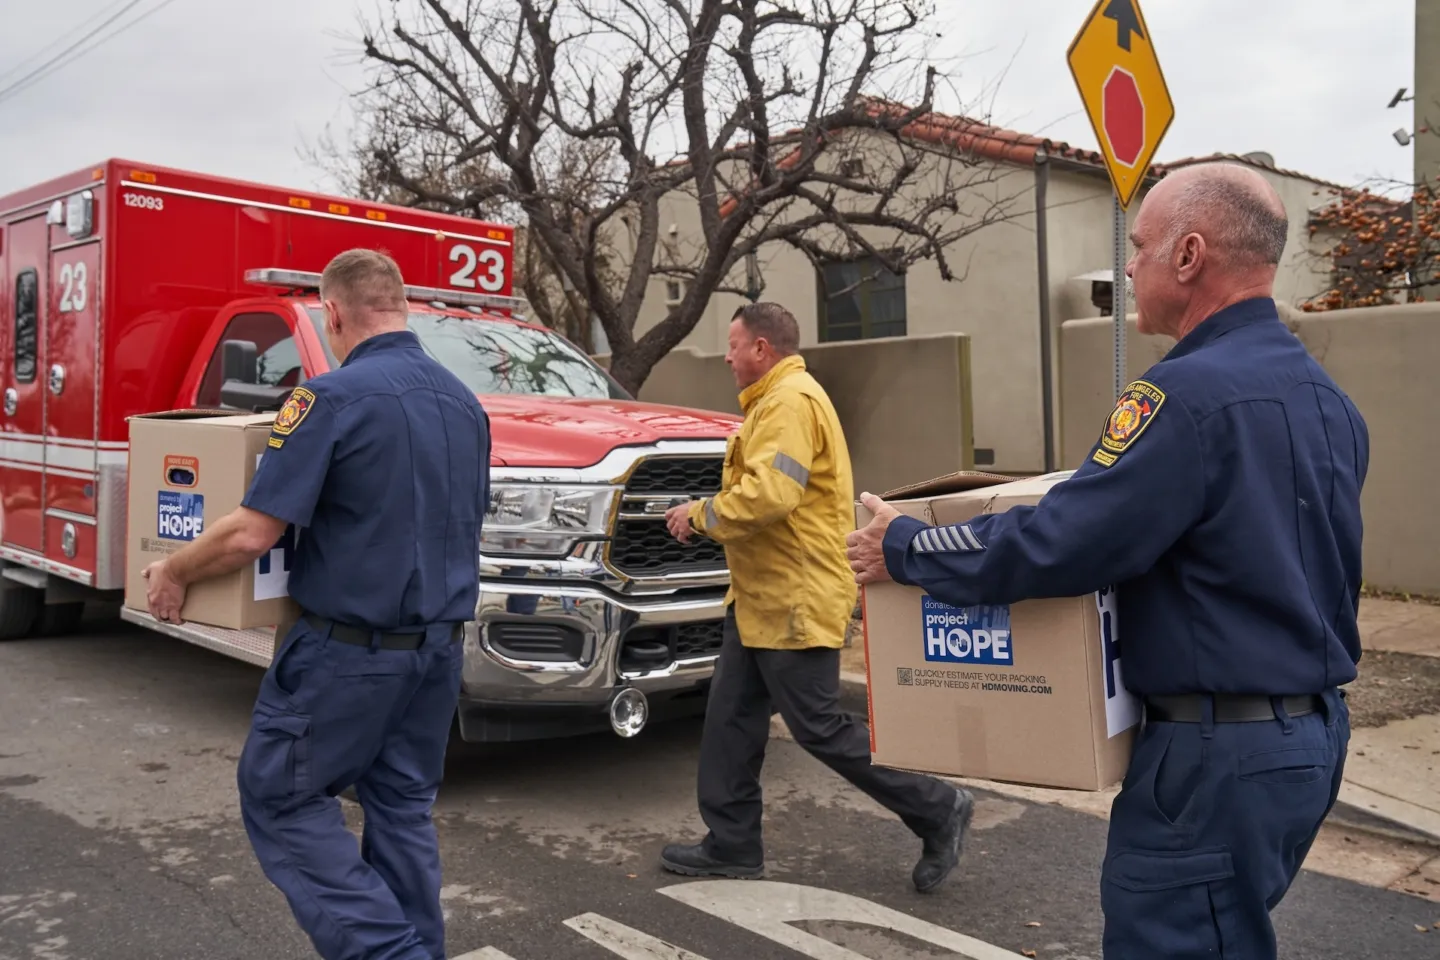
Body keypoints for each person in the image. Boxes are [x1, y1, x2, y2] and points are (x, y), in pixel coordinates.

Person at [846, 162, 1367, 958]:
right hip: (1308, 742)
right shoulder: (1330, 401)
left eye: (1140, 245)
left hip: (1214, 760)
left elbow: (1062, 543)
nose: (1128, 266)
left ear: (1189, 257)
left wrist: (908, 546)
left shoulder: (1182, 399)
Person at [144, 248, 491, 960]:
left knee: (280, 794)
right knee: (400, 811)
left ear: (333, 312)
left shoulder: (328, 399)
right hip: (436, 657)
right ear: (401, 305)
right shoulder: (466, 405)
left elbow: (251, 531)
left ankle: (394, 954)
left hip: (348, 656)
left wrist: (174, 570)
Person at [660, 302, 973, 893]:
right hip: (758, 600)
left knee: (820, 727)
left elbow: (771, 496)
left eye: (733, 344)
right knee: (730, 722)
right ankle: (731, 843)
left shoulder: (787, 403)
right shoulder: (773, 403)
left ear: (762, 348)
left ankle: (938, 807)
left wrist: (699, 515)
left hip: (793, 599)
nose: (726, 356)